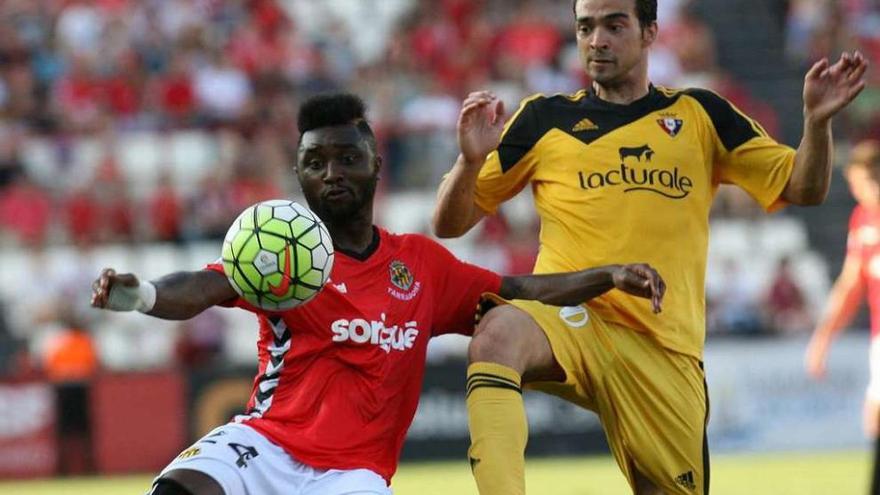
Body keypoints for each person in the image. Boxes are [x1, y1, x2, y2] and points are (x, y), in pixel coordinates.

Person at [90, 93, 666, 495]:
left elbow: (517, 288)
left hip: (354, 475)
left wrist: (608, 275)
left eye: (347, 157)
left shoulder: (419, 265)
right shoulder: (282, 253)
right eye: (314, 163)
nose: (332, 172)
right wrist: (139, 296)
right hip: (264, 443)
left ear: (375, 165)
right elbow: (203, 286)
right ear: (300, 177)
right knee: (180, 489)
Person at [431, 0, 868, 493]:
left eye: (614, 26)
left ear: (650, 33)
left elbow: (804, 188)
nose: (597, 40)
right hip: (573, 317)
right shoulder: (543, 120)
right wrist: (468, 164)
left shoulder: (701, 114)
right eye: (585, 27)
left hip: (664, 345)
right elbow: (449, 223)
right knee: (496, 333)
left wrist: (816, 122)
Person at [804, 139, 880, 492]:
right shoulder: (863, 219)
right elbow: (851, 285)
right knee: (875, 419)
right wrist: (822, 339)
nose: (856, 190)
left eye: (859, 182)